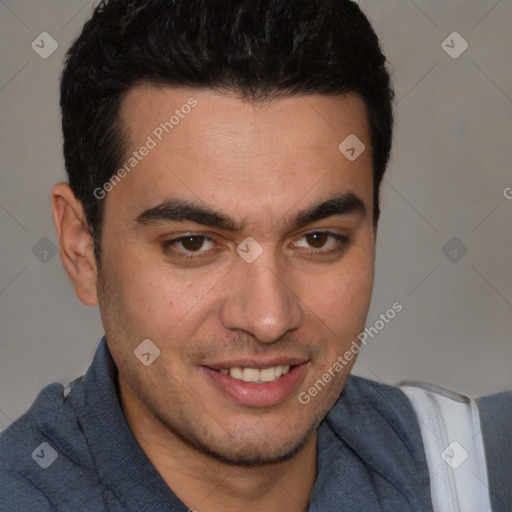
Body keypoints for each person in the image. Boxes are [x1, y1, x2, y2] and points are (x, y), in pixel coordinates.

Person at [0, 1, 510, 511]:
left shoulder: (481, 471)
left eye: (317, 239)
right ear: (82, 249)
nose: (268, 319)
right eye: (193, 243)